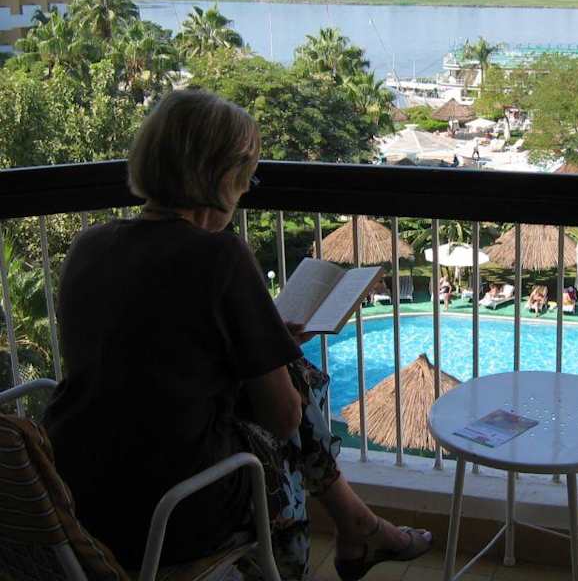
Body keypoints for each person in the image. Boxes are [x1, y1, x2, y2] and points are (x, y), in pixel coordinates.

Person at [43, 90, 431, 581]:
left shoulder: (89, 245)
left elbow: (147, 364)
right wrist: (273, 356)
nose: (248, 186)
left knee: (285, 371)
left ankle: (359, 526)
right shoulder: (219, 256)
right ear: (223, 174)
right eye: (247, 174)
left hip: (69, 491)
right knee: (296, 394)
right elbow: (283, 415)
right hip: (170, 511)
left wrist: (259, 344)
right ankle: (327, 546)